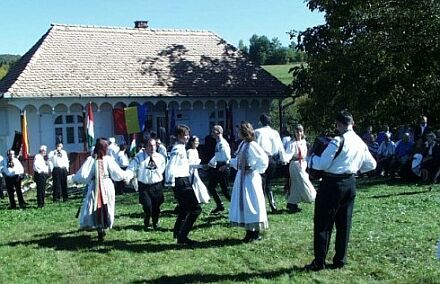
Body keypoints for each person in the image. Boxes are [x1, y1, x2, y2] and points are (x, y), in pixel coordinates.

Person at [305, 110, 376, 271]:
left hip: (332, 183)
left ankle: (319, 260)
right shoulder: (359, 142)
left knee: (323, 223)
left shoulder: (338, 141)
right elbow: (372, 165)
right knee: (344, 223)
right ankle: (340, 259)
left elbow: (322, 164)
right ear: (353, 123)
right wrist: (355, 168)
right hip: (350, 183)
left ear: (339, 124)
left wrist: (310, 158)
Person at [73, 138, 132, 242]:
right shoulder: (92, 160)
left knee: (105, 205)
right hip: (97, 186)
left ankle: (103, 225)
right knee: (95, 205)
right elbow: (84, 174)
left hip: (104, 185)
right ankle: (100, 228)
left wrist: (126, 175)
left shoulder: (107, 159)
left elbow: (116, 173)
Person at [229, 121, 269, 242]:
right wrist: (230, 163)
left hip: (250, 178)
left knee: (252, 202)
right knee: (245, 204)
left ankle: (255, 232)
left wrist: (254, 169)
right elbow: (239, 160)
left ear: (244, 131)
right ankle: (248, 232)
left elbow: (263, 160)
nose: (237, 133)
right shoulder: (243, 144)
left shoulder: (253, 145)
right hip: (241, 177)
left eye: (239, 131)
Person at [165, 124, 202, 245]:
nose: (187, 137)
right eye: (185, 135)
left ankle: (177, 232)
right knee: (196, 209)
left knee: (185, 209)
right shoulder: (178, 149)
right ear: (179, 136)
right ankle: (182, 236)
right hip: (180, 181)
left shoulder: (181, 148)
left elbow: (183, 165)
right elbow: (171, 166)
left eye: (187, 135)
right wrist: (170, 182)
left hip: (182, 179)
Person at [128, 138, 166, 230]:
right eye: (150, 145)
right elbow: (132, 167)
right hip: (144, 186)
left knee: (156, 207)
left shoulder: (161, 158)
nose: (152, 148)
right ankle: (147, 220)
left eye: (154, 145)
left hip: (156, 185)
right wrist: (127, 176)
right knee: (148, 206)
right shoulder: (139, 157)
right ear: (146, 147)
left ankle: (155, 223)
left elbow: (162, 169)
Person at [255, 113, 286, 212]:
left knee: (261, 183)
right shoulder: (275, 133)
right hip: (272, 159)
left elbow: (255, 146)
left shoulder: (257, 132)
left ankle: (262, 205)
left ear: (261, 122)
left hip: (262, 159)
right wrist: (283, 159)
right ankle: (272, 204)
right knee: (268, 182)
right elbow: (280, 147)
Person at [284, 124, 316, 213]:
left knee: (296, 185)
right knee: (302, 181)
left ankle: (292, 203)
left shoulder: (304, 142)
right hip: (295, 165)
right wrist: (285, 159)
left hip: (303, 164)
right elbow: (288, 154)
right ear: (294, 132)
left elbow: (307, 154)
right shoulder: (292, 143)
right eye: (297, 131)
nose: (299, 133)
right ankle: (312, 196)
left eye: (300, 131)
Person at [207, 125, 231, 214]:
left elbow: (228, 156)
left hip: (223, 167)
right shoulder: (218, 143)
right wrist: (210, 164)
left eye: (213, 132)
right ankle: (219, 205)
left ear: (218, 132)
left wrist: (226, 165)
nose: (211, 134)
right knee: (211, 187)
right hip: (218, 167)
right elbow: (217, 156)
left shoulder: (223, 143)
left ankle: (236, 206)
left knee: (225, 191)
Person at [187, 136, 210, 204]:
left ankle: (200, 198)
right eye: (196, 141)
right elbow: (189, 164)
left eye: (198, 141)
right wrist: (200, 166)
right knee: (194, 184)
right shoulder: (189, 151)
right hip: (191, 172)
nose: (197, 143)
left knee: (198, 183)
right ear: (192, 142)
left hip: (195, 170)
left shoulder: (196, 151)